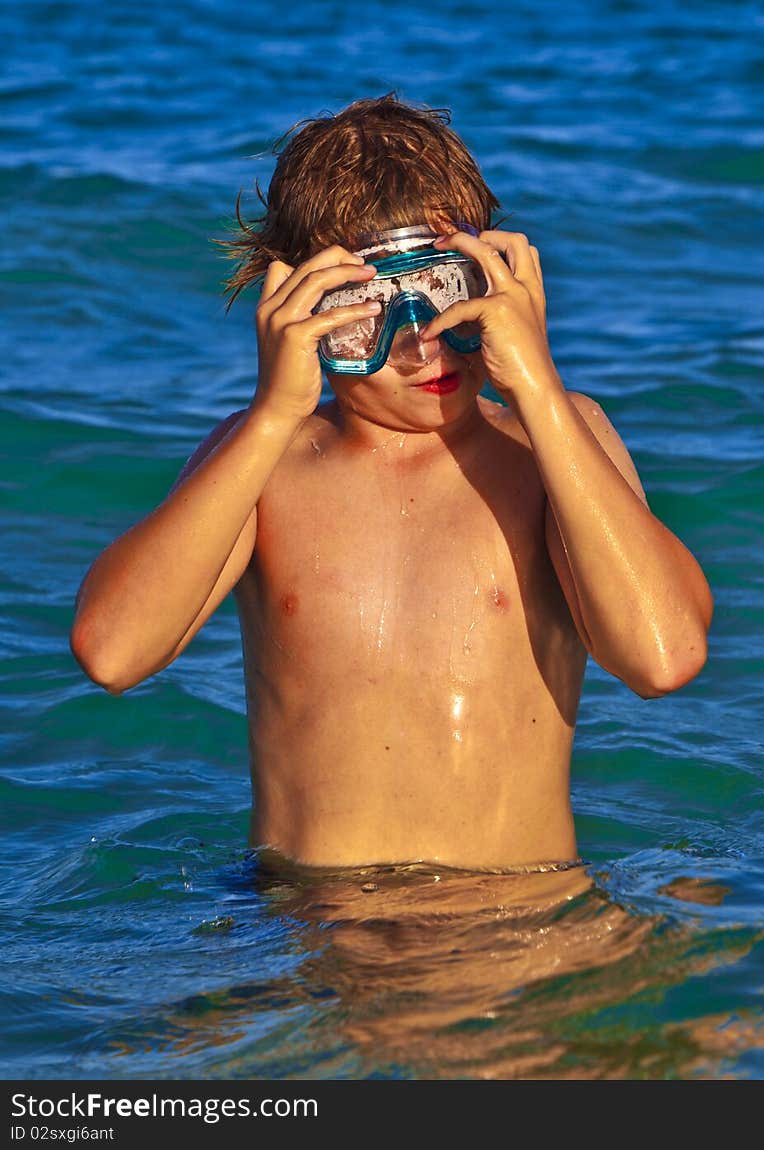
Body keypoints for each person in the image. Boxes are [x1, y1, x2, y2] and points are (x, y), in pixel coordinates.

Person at [70, 92, 713, 872]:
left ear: (496, 280)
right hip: (316, 930)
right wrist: (272, 413)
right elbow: (112, 653)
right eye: (361, 312)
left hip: (515, 920)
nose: (419, 348)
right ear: (294, 309)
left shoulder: (552, 449)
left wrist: (540, 388)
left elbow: (663, 655)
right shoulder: (265, 465)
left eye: (446, 295)